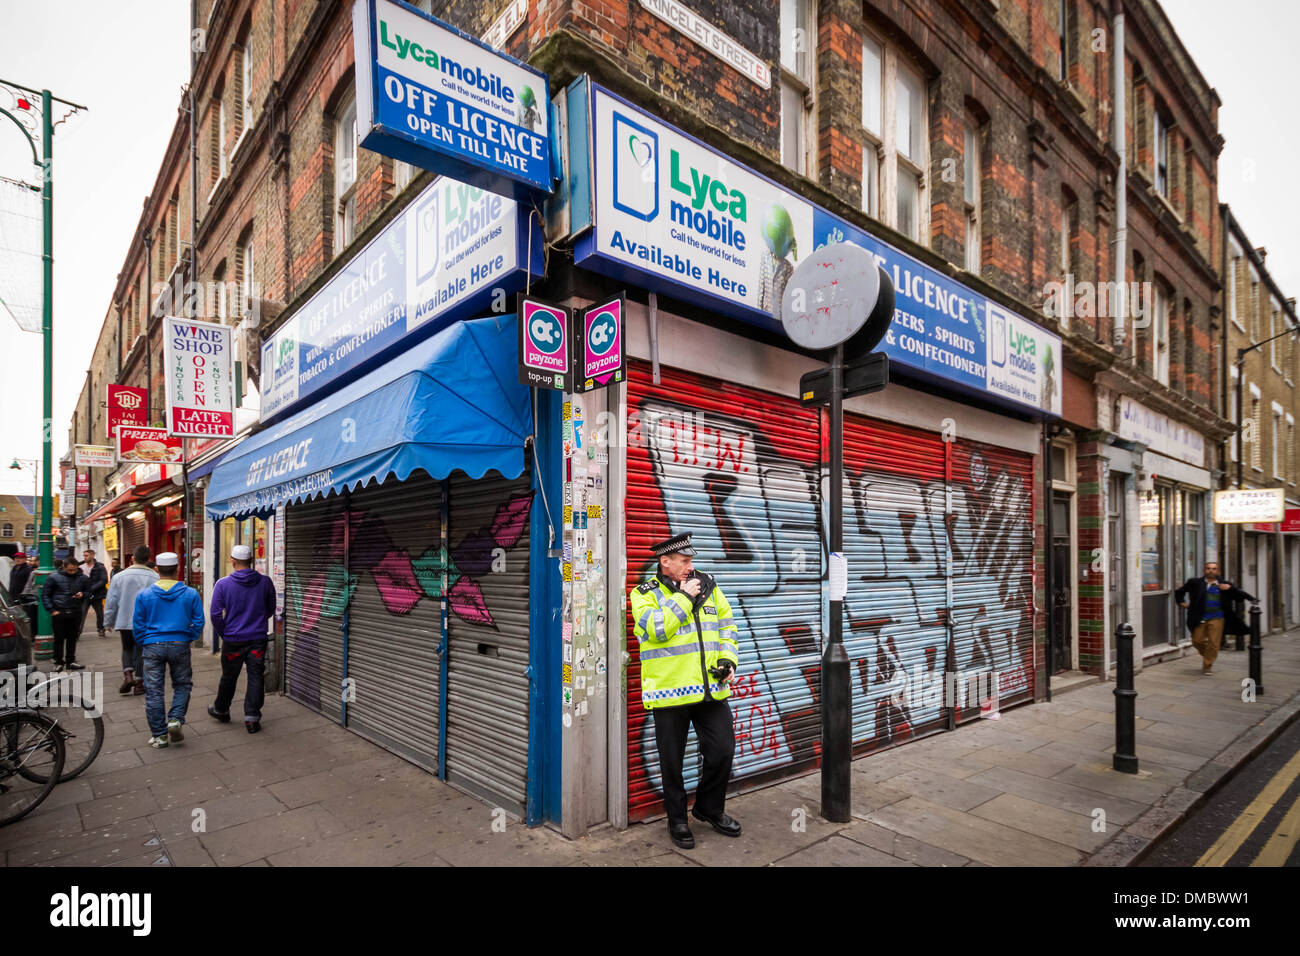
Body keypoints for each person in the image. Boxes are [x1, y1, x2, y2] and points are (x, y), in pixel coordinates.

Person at [630, 532, 742, 849]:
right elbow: (656, 629)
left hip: (710, 690)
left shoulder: (707, 585)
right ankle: (677, 819)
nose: (690, 566)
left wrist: (728, 660)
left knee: (723, 751)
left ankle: (708, 808)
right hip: (670, 692)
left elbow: (727, 625)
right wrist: (683, 597)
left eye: (691, 560)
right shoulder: (644, 594)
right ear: (665, 561)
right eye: (684, 560)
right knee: (671, 761)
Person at [132, 552, 203, 749]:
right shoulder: (191, 594)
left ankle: (160, 735)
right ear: (177, 568)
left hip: (152, 645)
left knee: (154, 692)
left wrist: (144, 642)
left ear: (156, 569)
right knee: (182, 685)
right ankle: (175, 719)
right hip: (180, 643)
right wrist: (188, 637)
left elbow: (137, 626)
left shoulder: (144, 595)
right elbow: (198, 622)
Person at [208, 544, 277, 733]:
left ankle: (221, 709)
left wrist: (224, 632)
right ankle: (252, 718)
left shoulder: (223, 584)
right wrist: (259, 622)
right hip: (257, 639)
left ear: (232, 561)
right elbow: (271, 607)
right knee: (256, 676)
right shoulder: (265, 582)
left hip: (233, 640)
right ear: (251, 561)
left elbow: (215, 614)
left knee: (229, 676)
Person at [1175, 561, 1255, 675]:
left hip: (1217, 617)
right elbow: (1180, 591)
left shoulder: (1224, 584)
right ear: (1204, 570)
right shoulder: (1195, 583)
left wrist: (1230, 589)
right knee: (1197, 641)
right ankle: (1209, 655)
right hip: (1199, 617)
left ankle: (1207, 665)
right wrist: (1181, 602)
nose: (1211, 570)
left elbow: (1240, 597)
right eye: (1208, 568)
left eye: (1214, 568)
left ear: (1218, 571)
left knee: (1213, 643)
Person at [104, 545, 159, 695]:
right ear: (148, 559)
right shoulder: (155, 577)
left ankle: (128, 675)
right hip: (145, 621)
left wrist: (108, 622)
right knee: (142, 651)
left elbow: (111, 601)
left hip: (124, 619)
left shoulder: (119, 577)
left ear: (133, 558)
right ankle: (140, 683)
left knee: (127, 648)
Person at [41, 557, 90, 671]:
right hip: (60, 611)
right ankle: (58, 661)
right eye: (69, 570)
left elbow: (90, 592)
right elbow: (45, 594)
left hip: (75, 611)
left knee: (72, 638)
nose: (72, 572)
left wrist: (82, 594)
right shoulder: (53, 577)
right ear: (64, 567)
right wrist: (52, 610)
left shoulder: (83, 578)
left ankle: (70, 661)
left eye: (74, 570)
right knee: (59, 638)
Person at [79, 549, 108, 638]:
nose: (85, 557)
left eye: (86, 555)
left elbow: (103, 580)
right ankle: (77, 632)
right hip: (85, 595)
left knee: (99, 613)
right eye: (84, 556)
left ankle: (101, 629)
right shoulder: (81, 567)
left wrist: (91, 589)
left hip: (97, 595)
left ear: (92, 555)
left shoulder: (100, 567)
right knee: (81, 613)